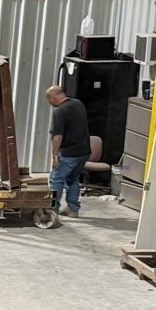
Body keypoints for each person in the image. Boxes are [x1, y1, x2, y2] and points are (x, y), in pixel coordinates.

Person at [46, 81, 90, 216]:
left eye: (49, 100)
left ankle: (52, 209)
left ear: (52, 98)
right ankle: (73, 209)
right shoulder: (78, 104)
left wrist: (54, 156)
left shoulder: (59, 111)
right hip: (83, 152)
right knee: (73, 179)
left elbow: (57, 136)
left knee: (56, 179)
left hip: (68, 154)